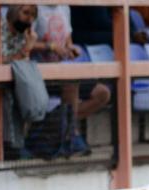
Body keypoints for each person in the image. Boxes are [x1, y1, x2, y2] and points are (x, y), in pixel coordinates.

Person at [32, 4, 110, 155]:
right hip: (40, 71)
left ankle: (56, 123)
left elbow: (68, 39)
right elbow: (24, 43)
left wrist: (71, 48)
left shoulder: (64, 7)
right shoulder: (34, 7)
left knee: (103, 93)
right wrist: (51, 47)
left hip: (64, 67)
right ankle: (71, 135)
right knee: (71, 84)